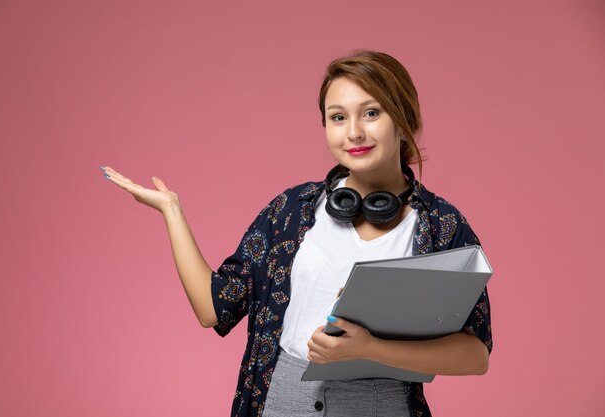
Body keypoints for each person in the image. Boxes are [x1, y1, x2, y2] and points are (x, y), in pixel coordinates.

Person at [102, 49, 492, 417]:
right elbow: (213, 309)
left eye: (371, 113)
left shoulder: (441, 225)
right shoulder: (292, 211)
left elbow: (475, 355)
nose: (354, 132)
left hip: (381, 404)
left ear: (405, 121)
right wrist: (172, 210)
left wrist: (372, 349)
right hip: (283, 400)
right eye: (338, 117)